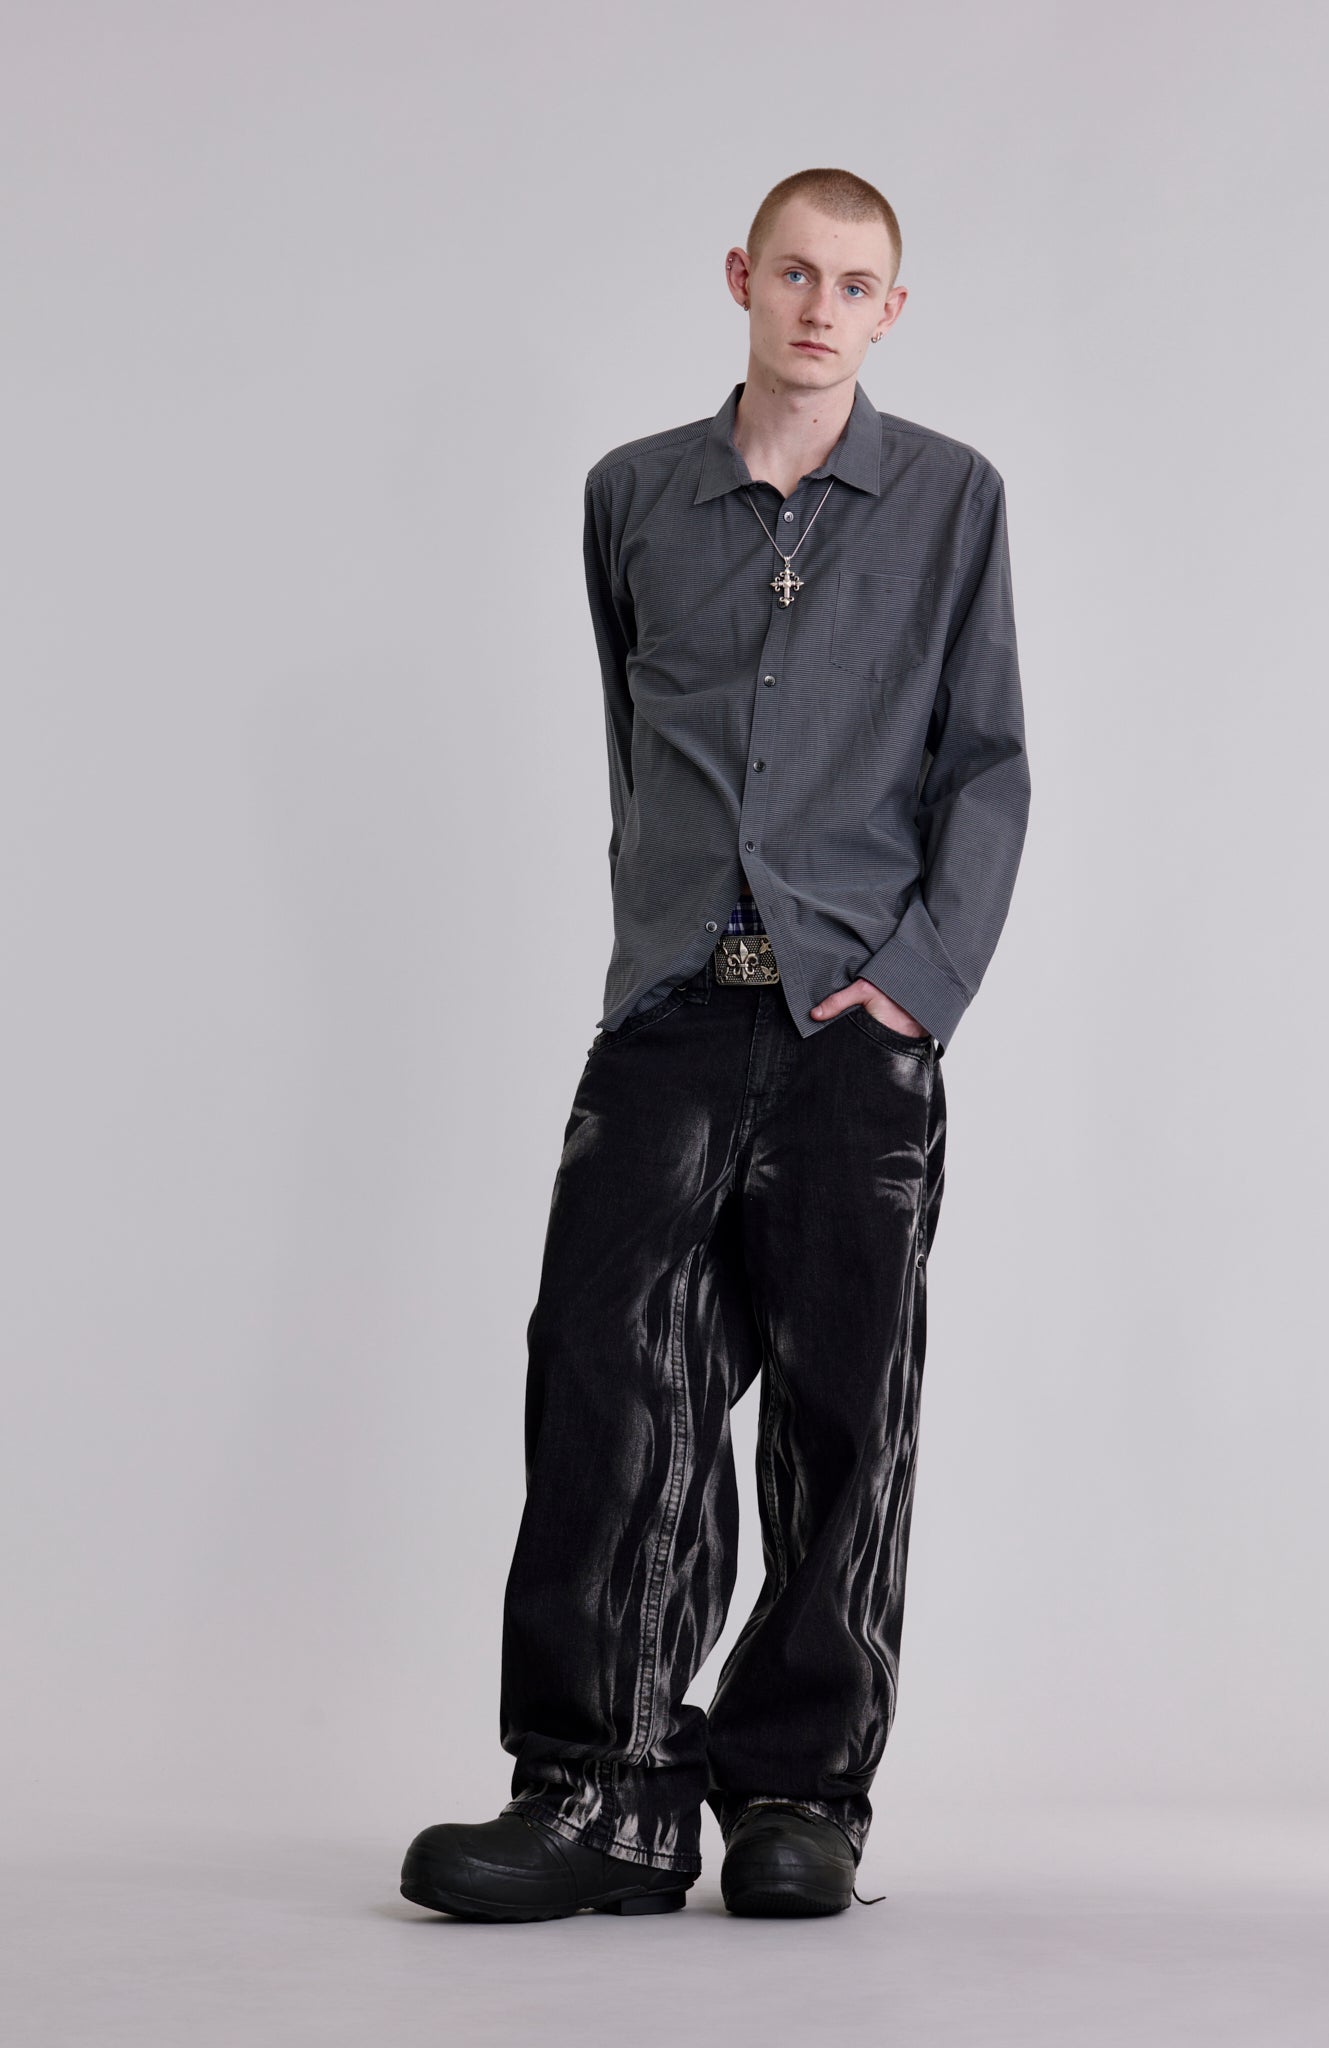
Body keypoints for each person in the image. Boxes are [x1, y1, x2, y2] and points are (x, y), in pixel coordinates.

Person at [399, 166, 1030, 1924]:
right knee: (606, 1383)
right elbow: (638, 744)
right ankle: (603, 1793)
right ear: (741, 277)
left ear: (890, 310)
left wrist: (914, 988)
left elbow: (985, 763)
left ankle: (798, 1798)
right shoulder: (633, 495)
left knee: (841, 1411)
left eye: (857, 284)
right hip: (675, 1009)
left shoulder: (951, 498)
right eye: (795, 274)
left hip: (854, 1023)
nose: (821, 308)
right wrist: (653, 949)